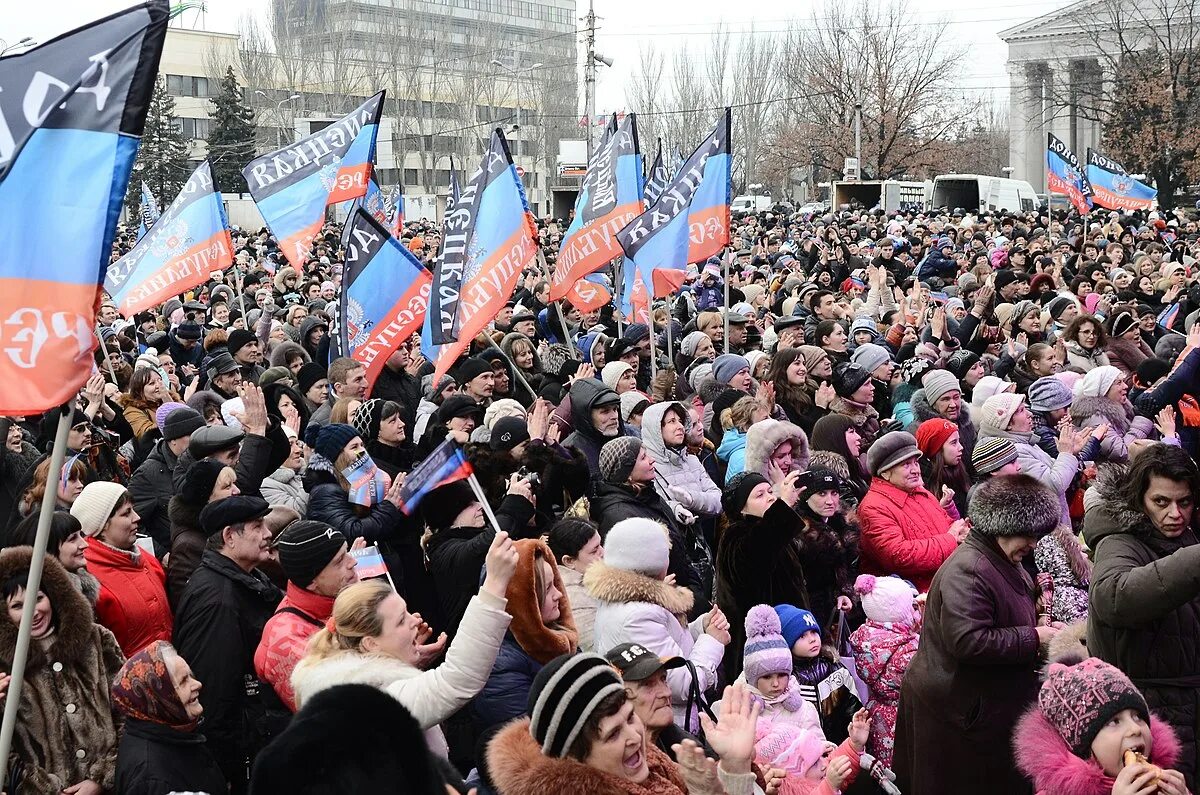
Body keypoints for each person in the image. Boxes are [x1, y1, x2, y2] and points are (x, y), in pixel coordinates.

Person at [893, 474, 1062, 795]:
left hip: (976, 707)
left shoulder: (999, 557)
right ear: (1004, 526)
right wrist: (1035, 637)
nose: (1033, 544)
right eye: (1028, 535)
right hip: (959, 715)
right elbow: (968, 640)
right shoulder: (970, 570)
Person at [291, 531, 519, 759]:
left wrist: (403, 661)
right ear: (371, 644)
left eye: (406, 611)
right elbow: (457, 679)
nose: (414, 621)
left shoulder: (353, 675)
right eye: (401, 620)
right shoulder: (363, 701)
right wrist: (494, 585)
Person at [485, 652, 761, 795]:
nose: (635, 736)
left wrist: (734, 766)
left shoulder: (659, 765)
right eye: (613, 734)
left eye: (629, 717)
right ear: (574, 758)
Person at [1085, 444, 1200, 785]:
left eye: (1184, 502)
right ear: (1140, 499)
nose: (1175, 513)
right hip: (1150, 713)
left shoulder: (1185, 535)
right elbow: (1114, 598)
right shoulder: (1119, 541)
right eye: (1161, 502)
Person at [172, 495, 284, 794]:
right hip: (239, 752)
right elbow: (213, 694)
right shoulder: (218, 602)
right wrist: (227, 770)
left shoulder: (246, 578)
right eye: (257, 527)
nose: (268, 534)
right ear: (229, 537)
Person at [0, 548, 124, 794]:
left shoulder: (97, 640)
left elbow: (129, 711)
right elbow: (7, 753)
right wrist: (44, 788)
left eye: (38, 598)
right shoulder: (4, 668)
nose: (32, 612)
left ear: (54, 596)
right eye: (17, 605)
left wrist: (104, 776)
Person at [587, 517, 729, 731]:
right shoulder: (638, 616)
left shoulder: (626, 600)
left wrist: (701, 628)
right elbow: (682, 684)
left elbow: (668, 640)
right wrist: (713, 642)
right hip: (670, 728)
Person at [1013, 657, 1188, 795]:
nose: (1135, 729)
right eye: (1114, 722)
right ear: (1083, 746)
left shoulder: (1160, 782)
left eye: (1138, 717)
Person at [254, 520, 359, 712]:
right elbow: (340, 712)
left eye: (347, 552)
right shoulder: (287, 639)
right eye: (339, 561)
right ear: (311, 582)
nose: (353, 562)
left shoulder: (339, 598)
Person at [476, 538, 578, 735]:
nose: (559, 594)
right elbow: (535, 735)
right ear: (522, 601)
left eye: (555, 584)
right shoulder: (500, 668)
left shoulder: (557, 636)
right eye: (547, 588)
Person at [715, 471, 810, 681]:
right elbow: (757, 555)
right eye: (759, 495)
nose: (769, 497)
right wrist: (783, 506)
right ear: (741, 508)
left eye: (770, 491)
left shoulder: (772, 530)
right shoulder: (735, 536)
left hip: (790, 635)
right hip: (760, 651)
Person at [111, 640, 227, 795]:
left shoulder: (169, 731)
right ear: (157, 697)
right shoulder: (153, 780)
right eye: (183, 681)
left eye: (191, 676)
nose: (197, 684)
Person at [70, 481, 172, 656]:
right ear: (103, 526)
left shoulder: (146, 559)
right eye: (126, 513)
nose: (137, 517)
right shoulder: (86, 578)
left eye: (133, 510)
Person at [857, 432, 964, 592]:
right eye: (906, 465)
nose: (915, 470)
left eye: (916, 462)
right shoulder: (873, 508)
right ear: (885, 473)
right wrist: (951, 539)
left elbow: (948, 525)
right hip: (914, 597)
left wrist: (963, 531)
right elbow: (899, 556)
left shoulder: (921, 492)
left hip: (946, 584)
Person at [847, 574, 920, 768]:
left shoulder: (868, 639)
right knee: (906, 769)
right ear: (899, 611)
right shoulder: (907, 651)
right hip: (904, 718)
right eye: (911, 606)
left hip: (879, 715)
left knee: (885, 769)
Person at [776, 604, 862, 743]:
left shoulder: (835, 668)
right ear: (787, 643)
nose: (812, 639)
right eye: (802, 636)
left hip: (841, 745)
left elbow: (853, 706)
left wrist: (855, 738)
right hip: (804, 749)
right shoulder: (787, 680)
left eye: (814, 632)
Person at [127, 405, 206, 556]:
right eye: (192, 435)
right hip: (178, 555)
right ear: (173, 439)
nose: (199, 441)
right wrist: (162, 555)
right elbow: (132, 523)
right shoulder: (147, 475)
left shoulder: (203, 461)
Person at [167, 459, 238, 606]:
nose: (237, 491)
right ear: (207, 498)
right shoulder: (187, 546)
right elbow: (187, 603)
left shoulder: (221, 525)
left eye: (234, 484)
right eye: (227, 486)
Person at [6, 511, 99, 604]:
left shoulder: (83, 587)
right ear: (48, 549)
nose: (85, 544)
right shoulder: (39, 599)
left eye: (81, 535)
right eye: (72, 539)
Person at [546, 517, 604, 651]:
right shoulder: (572, 599)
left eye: (600, 545)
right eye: (594, 551)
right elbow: (595, 647)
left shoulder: (591, 579)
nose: (603, 552)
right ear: (569, 561)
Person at [562, 378, 624, 477]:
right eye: (605, 411)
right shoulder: (570, 452)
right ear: (586, 416)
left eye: (615, 409)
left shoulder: (625, 439)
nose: (614, 416)